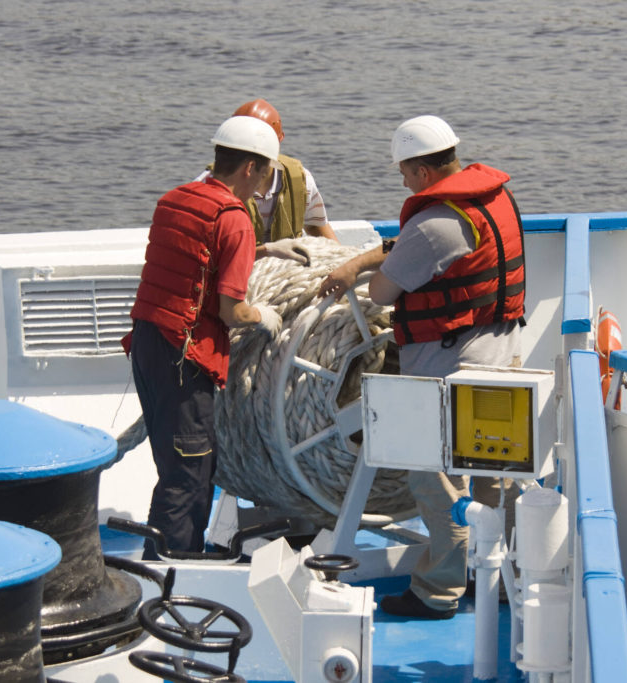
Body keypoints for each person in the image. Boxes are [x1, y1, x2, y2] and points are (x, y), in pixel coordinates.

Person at [319, 115, 525, 619]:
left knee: (435, 481)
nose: (404, 182)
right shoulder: (494, 201)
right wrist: (371, 256)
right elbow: (414, 248)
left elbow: (381, 291)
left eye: (405, 173)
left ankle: (438, 590)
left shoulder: (435, 223)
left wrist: (358, 273)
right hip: (502, 355)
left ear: (424, 171)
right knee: (494, 474)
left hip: (447, 367)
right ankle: (504, 579)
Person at [123, 116, 285, 560]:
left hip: (147, 343)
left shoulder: (176, 199)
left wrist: (264, 250)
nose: (266, 183)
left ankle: (166, 557)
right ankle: (174, 571)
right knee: (189, 473)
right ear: (250, 167)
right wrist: (262, 316)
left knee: (171, 464)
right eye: (268, 171)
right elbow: (231, 312)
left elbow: (197, 257)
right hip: (184, 357)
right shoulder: (235, 220)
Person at [195, 99, 338, 262]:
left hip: (283, 275)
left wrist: (345, 264)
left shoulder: (300, 180)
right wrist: (268, 251)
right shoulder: (206, 188)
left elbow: (315, 225)